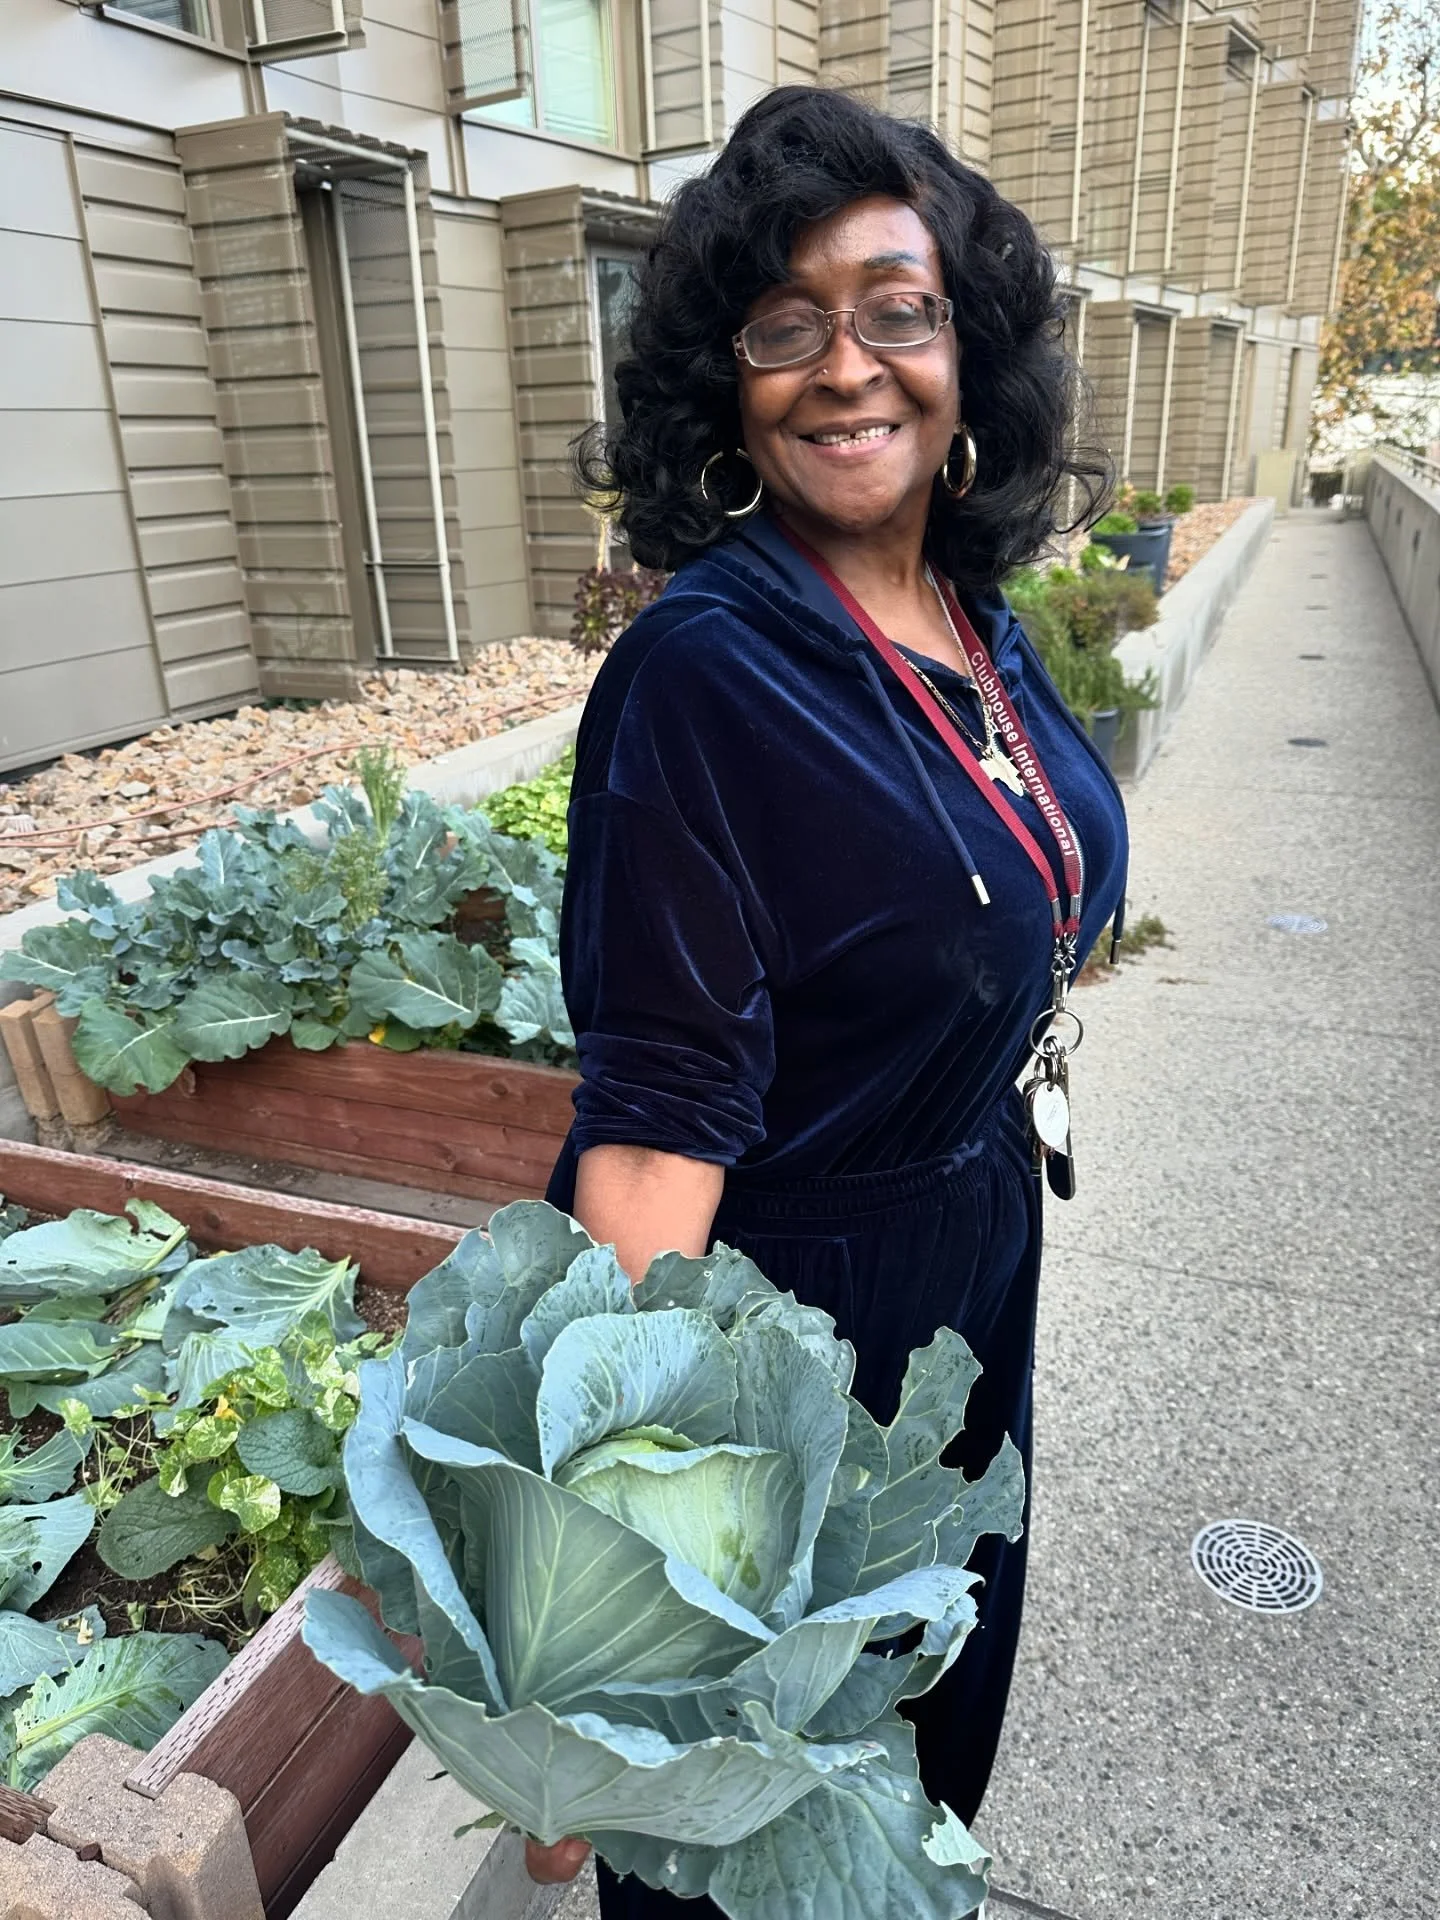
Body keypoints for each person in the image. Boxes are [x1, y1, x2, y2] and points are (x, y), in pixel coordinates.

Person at [529, 83, 1129, 1916]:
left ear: (968, 348)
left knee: (913, 1778)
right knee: (748, 1835)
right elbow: (649, 1143)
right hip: (789, 1351)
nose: (845, 365)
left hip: (964, 1272)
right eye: (784, 327)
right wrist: (586, 1626)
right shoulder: (707, 677)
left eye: (897, 307)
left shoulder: (963, 606)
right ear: (728, 385)